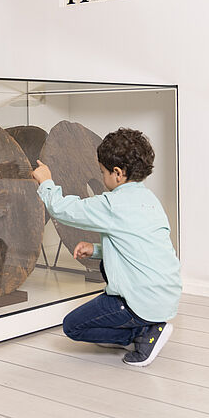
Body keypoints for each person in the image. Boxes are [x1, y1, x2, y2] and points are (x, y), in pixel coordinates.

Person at [31, 128, 181, 367]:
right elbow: (135, 245)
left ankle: (142, 334)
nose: (101, 177)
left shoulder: (112, 204)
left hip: (141, 301)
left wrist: (46, 181)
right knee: (103, 269)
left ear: (118, 173)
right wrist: (96, 249)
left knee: (73, 326)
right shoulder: (150, 200)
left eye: (102, 172)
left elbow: (62, 209)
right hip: (165, 297)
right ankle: (143, 323)